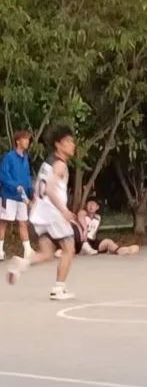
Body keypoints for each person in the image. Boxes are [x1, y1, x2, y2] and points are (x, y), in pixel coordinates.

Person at [6, 126, 77, 300]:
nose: (72, 145)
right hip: (53, 214)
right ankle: (58, 289)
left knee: (47, 253)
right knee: (69, 249)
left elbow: (40, 187)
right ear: (58, 145)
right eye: (68, 141)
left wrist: (34, 205)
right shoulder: (60, 165)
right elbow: (50, 189)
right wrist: (64, 210)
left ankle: (22, 263)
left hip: (40, 214)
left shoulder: (47, 164)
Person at [0, 130, 34, 261]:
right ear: (18, 141)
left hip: (22, 197)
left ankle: (28, 251)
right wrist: (15, 186)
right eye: (25, 139)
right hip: (8, 195)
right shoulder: (9, 157)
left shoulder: (25, 158)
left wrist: (30, 193)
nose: (27, 141)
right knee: (3, 222)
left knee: (23, 222)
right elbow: (3, 175)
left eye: (28, 139)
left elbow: (27, 177)